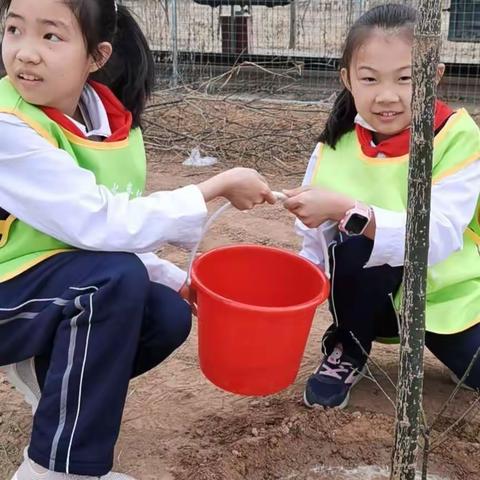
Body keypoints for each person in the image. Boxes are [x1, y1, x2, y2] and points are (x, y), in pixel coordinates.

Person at [0, 0, 276, 479]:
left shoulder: (107, 126)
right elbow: (100, 225)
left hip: (33, 286)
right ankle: (57, 470)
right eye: (14, 30)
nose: (26, 53)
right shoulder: (9, 124)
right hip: (10, 290)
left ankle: (44, 378)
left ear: (97, 56)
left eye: (51, 36)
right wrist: (213, 187)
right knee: (111, 283)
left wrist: (173, 279)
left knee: (164, 314)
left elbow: (91, 238)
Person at [283, 3, 480, 410]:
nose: (386, 96)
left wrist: (349, 209)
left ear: (434, 75)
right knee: (352, 241)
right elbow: (314, 240)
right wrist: (294, 290)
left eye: (406, 78)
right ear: (347, 79)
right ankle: (349, 347)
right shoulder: (334, 145)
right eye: (369, 79)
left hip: (447, 297)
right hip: (372, 302)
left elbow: (438, 235)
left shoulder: (457, 138)